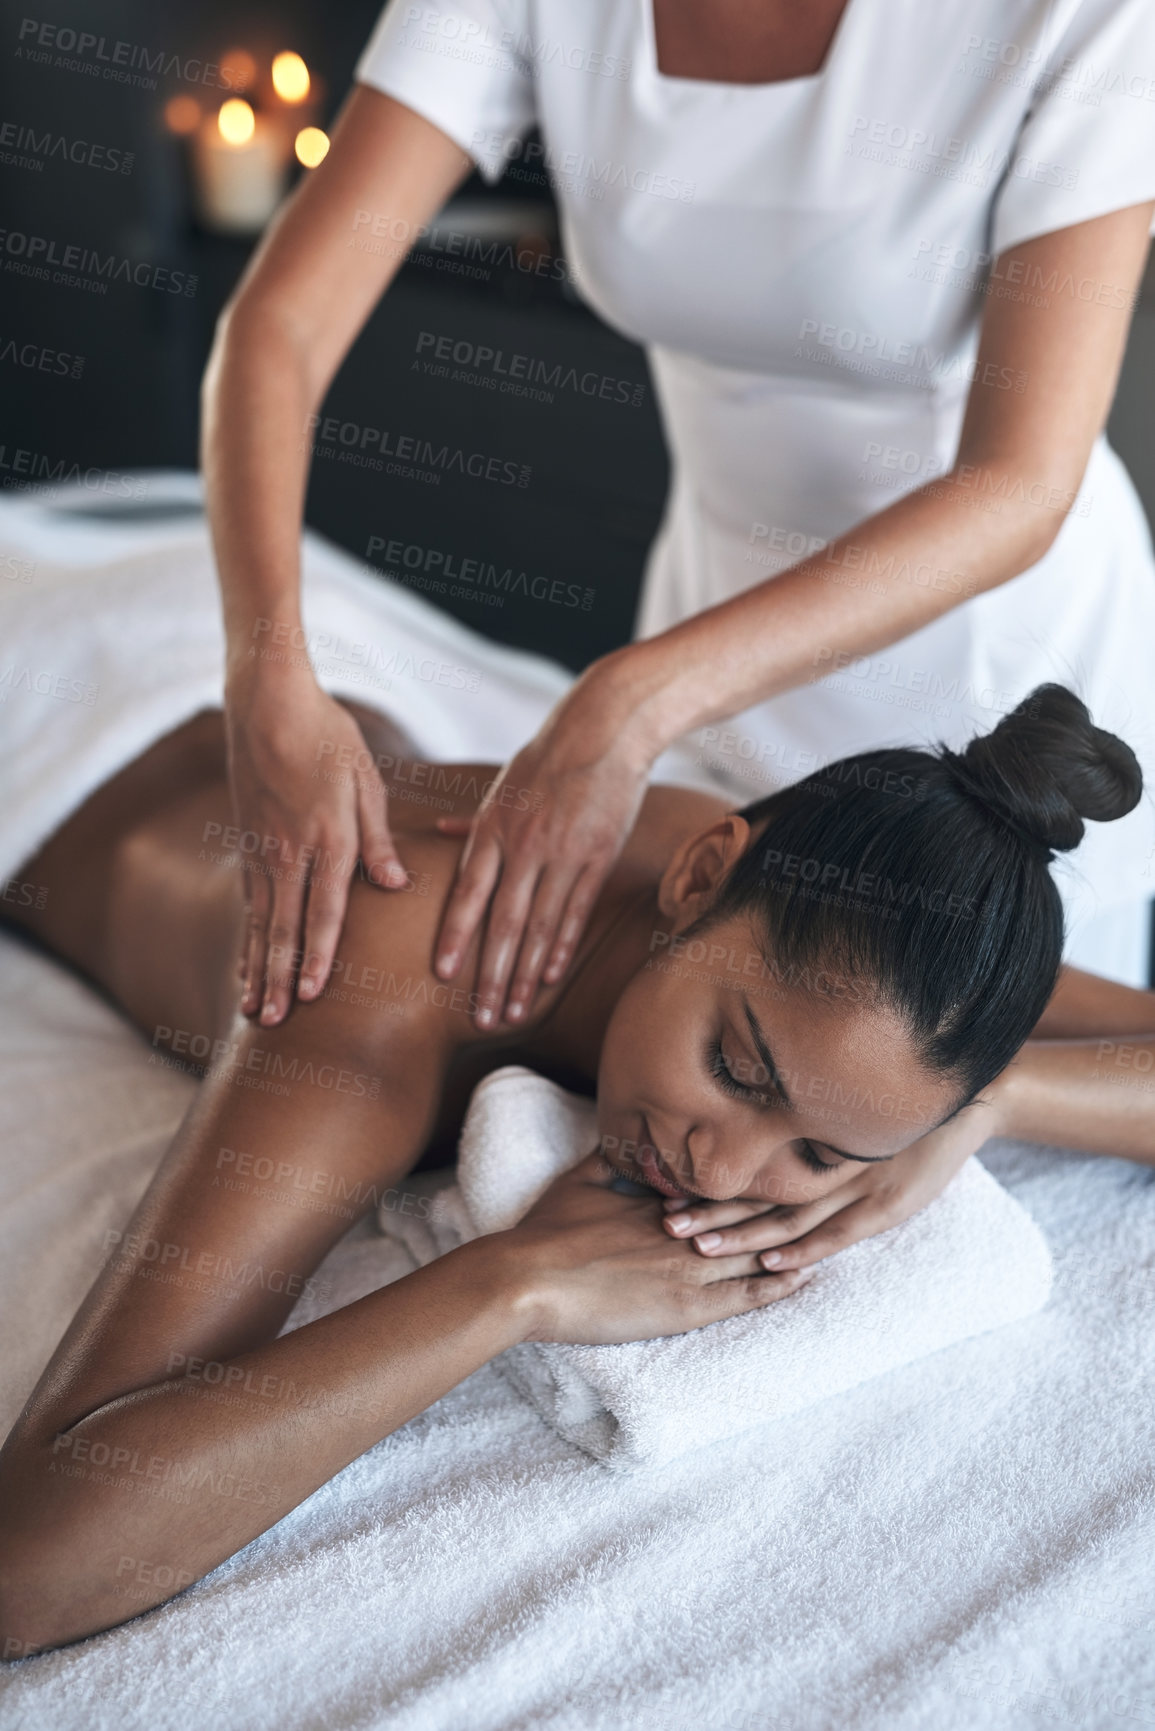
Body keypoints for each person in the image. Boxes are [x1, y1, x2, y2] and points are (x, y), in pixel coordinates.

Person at [2, 682, 1154, 1654]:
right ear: (701, 875)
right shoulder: (376, 1002)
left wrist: (987, 1104)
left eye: (818, 1152)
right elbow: (28, 1568)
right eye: (738, 1070)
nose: (719, 1170)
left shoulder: (865, 957)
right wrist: (510, 1285)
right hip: (62, 741)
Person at [202, 0, 1155, 1037]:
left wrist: (629, 704)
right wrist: (265, 665)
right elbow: (282, 323)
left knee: (930, 1142)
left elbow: (1017, 485)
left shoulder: (1082, 16)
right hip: (707, 668)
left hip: (991, 700)